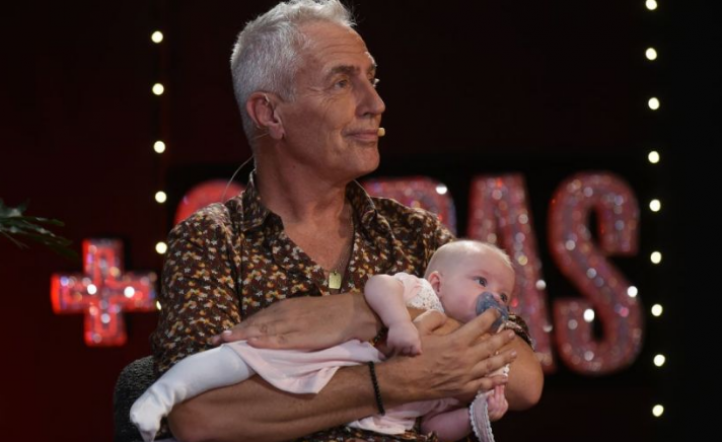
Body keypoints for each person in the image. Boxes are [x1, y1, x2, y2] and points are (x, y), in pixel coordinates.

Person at [149, 1, 544, 441]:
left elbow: (525, 380)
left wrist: (359, 314)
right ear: (270, 114)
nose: (376, 103)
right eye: (341, 82)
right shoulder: (212, 241)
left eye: (371, 79)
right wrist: (396, 381)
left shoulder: (415, 234)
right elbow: (198, 417)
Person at [133, 241, 517, 442]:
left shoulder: (480, 350)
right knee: (243, 357)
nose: (494, 298)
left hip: (384, 424)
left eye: (504, 295)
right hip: (337, 362)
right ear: (437, 282)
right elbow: (380, 286)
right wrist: (399, 322)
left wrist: (474, 414)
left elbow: (432, 426)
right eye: (481, 282)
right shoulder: (424, 296)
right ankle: (162, 394)